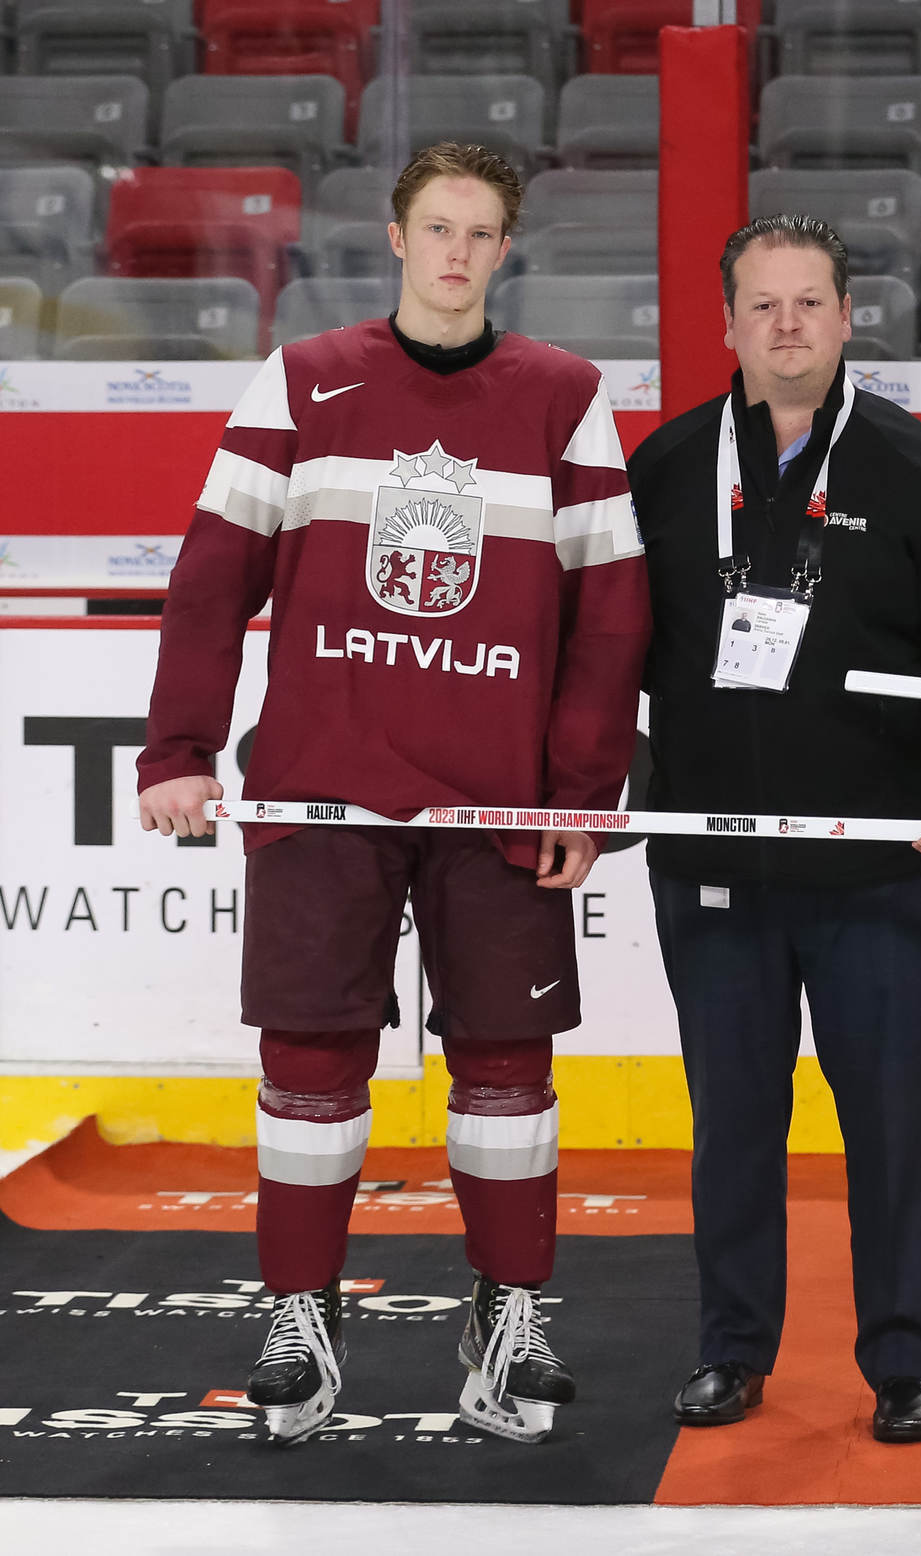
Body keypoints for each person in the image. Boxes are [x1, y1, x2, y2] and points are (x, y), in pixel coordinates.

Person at [135, 141, 651, 1447]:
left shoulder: (564, 397)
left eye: (482, 231)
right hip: (325, 793)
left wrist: (583, 788)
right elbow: (211, 582)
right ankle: (303, 1316)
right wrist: (179, 750)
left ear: (506, 247)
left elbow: (610, 617)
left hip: (499, 805)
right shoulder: (306, 382)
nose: (459, 252)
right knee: (308, 1063)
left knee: (506, 1064)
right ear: (398, 234)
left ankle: (509, 1310)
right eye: (439, 228)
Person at [625, 215, 921, 1446]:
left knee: (889, 1124)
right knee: (732, 1120)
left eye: (808, 304)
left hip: (876, 866)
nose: (786, 326)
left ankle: (904, 1358)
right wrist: (608, 781)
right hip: (715, 868)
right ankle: (731, 1350)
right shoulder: (670, 466)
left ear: (848, 319)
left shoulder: (911, 466)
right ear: (726, 322)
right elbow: (609, 655)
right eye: (762, 305)